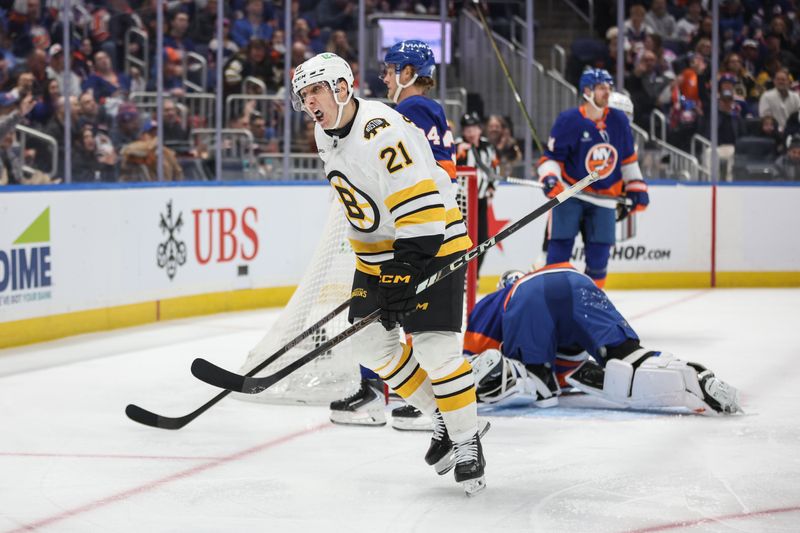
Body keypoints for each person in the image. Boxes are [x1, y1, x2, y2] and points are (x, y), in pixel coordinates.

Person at [291, 52, 486, 495]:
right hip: (380, 253)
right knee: (368, 341)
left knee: (435, 350)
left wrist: (407, 266)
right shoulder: (326, 135)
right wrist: (377, 270)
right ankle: (443, 415)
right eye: (304, 95)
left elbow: (417, 197)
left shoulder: (381, 129)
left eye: (316, 90)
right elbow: (363, 209)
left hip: (432, 241)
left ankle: (467, 439)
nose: (310, 102)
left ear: (342, 87)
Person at [329, 40, 463, 430]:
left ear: (408, 73)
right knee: (388, 319)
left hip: (405, 232)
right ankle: (406, 396)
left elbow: (410, 173)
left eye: (390, 70)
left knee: (383, 317)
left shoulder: (409, 110)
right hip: (414, 226)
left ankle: (376, 394)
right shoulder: (431, 110)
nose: (384, 77)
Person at [465, 267, 741, 416]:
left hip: (529, 296)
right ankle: (696, 378)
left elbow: (469, 361)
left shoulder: (492, 301)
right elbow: (571, 368)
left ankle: (530, 377)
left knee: (535, 385)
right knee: (629, 361)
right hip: (578, 281)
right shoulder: (535, 282)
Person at [537, 68, 648, 288]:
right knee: (558, 254)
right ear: (587, 92)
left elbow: (627, 160)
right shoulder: (568, 120)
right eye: (601, 88)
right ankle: (553, 303)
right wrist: (550, 178)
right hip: (571, 193)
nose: (607, 93)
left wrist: (637, 186)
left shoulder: (619, 120)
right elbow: (551, 159)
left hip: (605, 198)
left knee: (599, 261)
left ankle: (590, 307)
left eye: (609, 88)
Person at [456, 112, 498, 274]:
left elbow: (494, 168)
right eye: (467, 129)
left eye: (474, 128)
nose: (471, 132)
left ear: (480, 129)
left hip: (480, 201)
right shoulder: (458, 145)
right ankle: (462, 276)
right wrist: (459, 153)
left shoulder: (487, 146)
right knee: (461, 240)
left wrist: (491, 187)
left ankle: (475, 275)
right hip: (462, 201)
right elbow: (451, 167)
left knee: (483, 240)